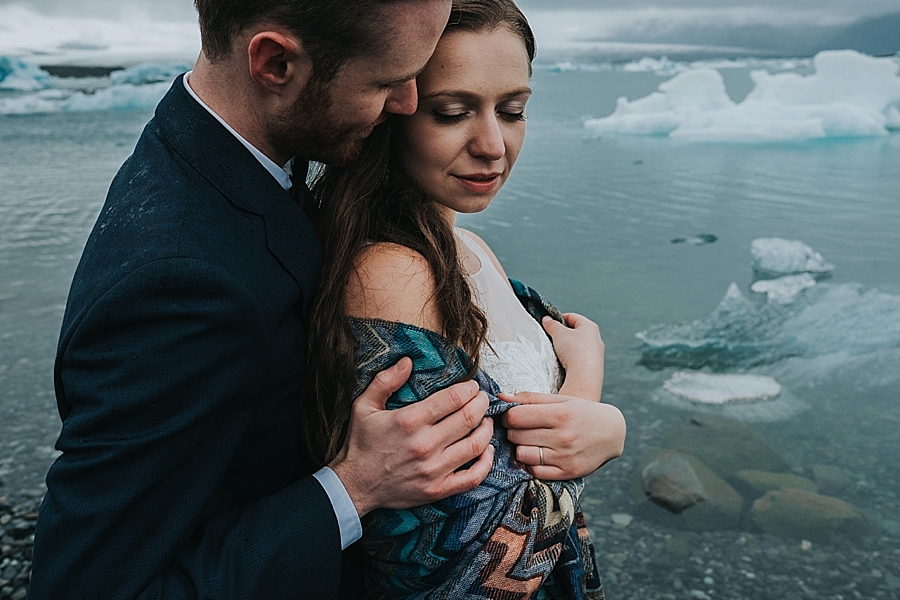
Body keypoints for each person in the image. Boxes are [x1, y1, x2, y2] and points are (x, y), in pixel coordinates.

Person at [28, 2, 504, 599]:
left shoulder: (245, 157)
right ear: (275, 63)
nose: (407, 103)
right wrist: (353, 489)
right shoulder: (181, 285)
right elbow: (82, 587)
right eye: (387, 82)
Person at [306, 0, 626, 596]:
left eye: (513, 111)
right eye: (451, 113)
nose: (492, 145)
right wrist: (590, 400)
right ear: (390, 111)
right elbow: (463, 566)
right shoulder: (390, 274)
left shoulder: (466, 243)